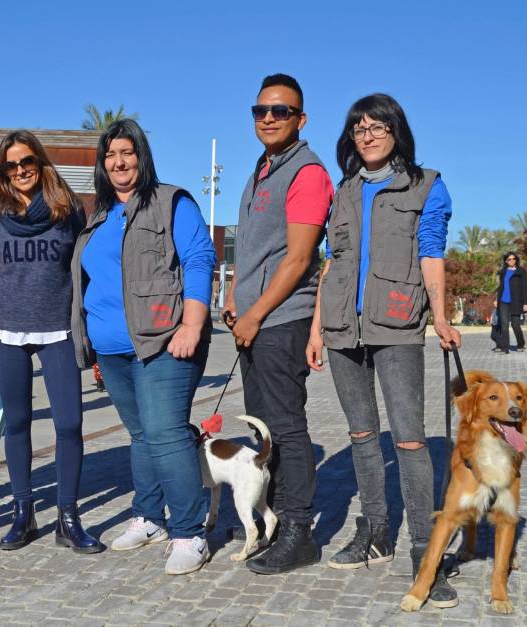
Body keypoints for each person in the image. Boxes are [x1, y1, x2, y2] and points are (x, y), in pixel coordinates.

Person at [306, 93, 461, 607]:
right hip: (341, 328)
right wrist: (315, 330)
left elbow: (432, 252)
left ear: (397, 131)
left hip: (396, 324)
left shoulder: (425, 185)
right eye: (358, 129)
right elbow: (331, 261)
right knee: (361, 433)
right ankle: (375, 532)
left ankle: (424, 551)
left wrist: (440, 316)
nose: (367, 136)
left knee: (411, 441)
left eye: (377, 127)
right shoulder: (345, 190)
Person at [71, 119, 216, 575]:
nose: (119, 162)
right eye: (111, 155)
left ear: (142, 157)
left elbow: (199, 258)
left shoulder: (172, 202)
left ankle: (190, 532)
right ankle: (150, 517)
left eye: (127, 153)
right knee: (141, 436)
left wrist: (192, 323)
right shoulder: (98, 216)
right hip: (113, 350)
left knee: (165, 432)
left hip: (164, 342)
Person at [221, 73, 333, 575]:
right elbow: (253, 250)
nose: (269, 118)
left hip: (281, 320)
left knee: (286, 428)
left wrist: (256, 312)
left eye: (281, 111)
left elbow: (299, 257)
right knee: (264, 430)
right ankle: (273, 525)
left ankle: (298, 531)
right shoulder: (261, 170)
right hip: (255, 320)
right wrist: (233, 294)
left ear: (300, 119)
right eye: (261, 110)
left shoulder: (305, 172)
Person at [0, 130, 104, 554]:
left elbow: (86, 267)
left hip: (58, 328)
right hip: (8, 331)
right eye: (11, 166)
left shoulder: (67, 209)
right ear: (4, 171)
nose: (20, 171)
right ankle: (24, 512)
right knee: (17, 424)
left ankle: (67, 518)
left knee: (70, 423)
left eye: (27, 162)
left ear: (41, 162)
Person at [494, 252, 527, 353]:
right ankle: (505, 348)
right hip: (503, 301)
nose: (512, 261)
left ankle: (521, 344)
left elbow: (524, 287)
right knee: (504, 324)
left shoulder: (521, 271)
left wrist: (526, 303)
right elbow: (501, 287)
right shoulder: (503, 272)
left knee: (515, 325)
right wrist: (496, 299)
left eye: (514, 259)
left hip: (516, 302)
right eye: (509, 259)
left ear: (516, 260)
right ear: (506, 261)